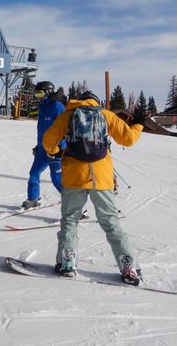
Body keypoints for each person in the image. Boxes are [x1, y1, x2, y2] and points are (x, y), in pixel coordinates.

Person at [43, 91, 145, 285]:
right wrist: (139, 124)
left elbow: (48, 142)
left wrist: (56, 151)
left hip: (74, 177)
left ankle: (67, 263)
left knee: (70, 220)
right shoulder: (106, 115)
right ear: (95, 101)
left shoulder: (67, 115)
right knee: (111, 222)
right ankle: (128, 266)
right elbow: (129, 139)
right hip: (101, 178)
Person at [22, 81, 66, 210]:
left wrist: (60, 149)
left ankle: (73, 204)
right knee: (34, 173)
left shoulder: (57, 106)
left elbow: (64, 128)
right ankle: (33, 199)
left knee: (56, 178)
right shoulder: (43, 108)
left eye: (40, 94)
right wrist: (38, 146)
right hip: (42, 150)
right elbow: (43, 131)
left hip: (55, 150)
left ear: (48, 92)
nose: (38, 98)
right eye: (36, 95)